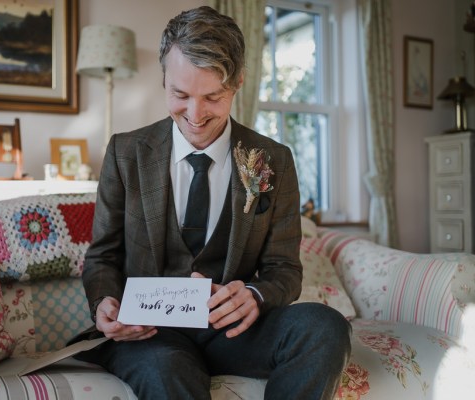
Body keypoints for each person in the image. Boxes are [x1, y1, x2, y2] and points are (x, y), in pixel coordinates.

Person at [72, 6, 351, 399]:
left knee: (324, 326)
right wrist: (105, 304)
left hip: (234, 331)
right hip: (152, 335)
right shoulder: (125, 152)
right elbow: (102, 257)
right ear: (164, 79)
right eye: (180, 94)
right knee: (166, 370)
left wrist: (255, 295)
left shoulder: (275, 160)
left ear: (237, 83)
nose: (196, 114)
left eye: (213, 97)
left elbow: (284, 269)